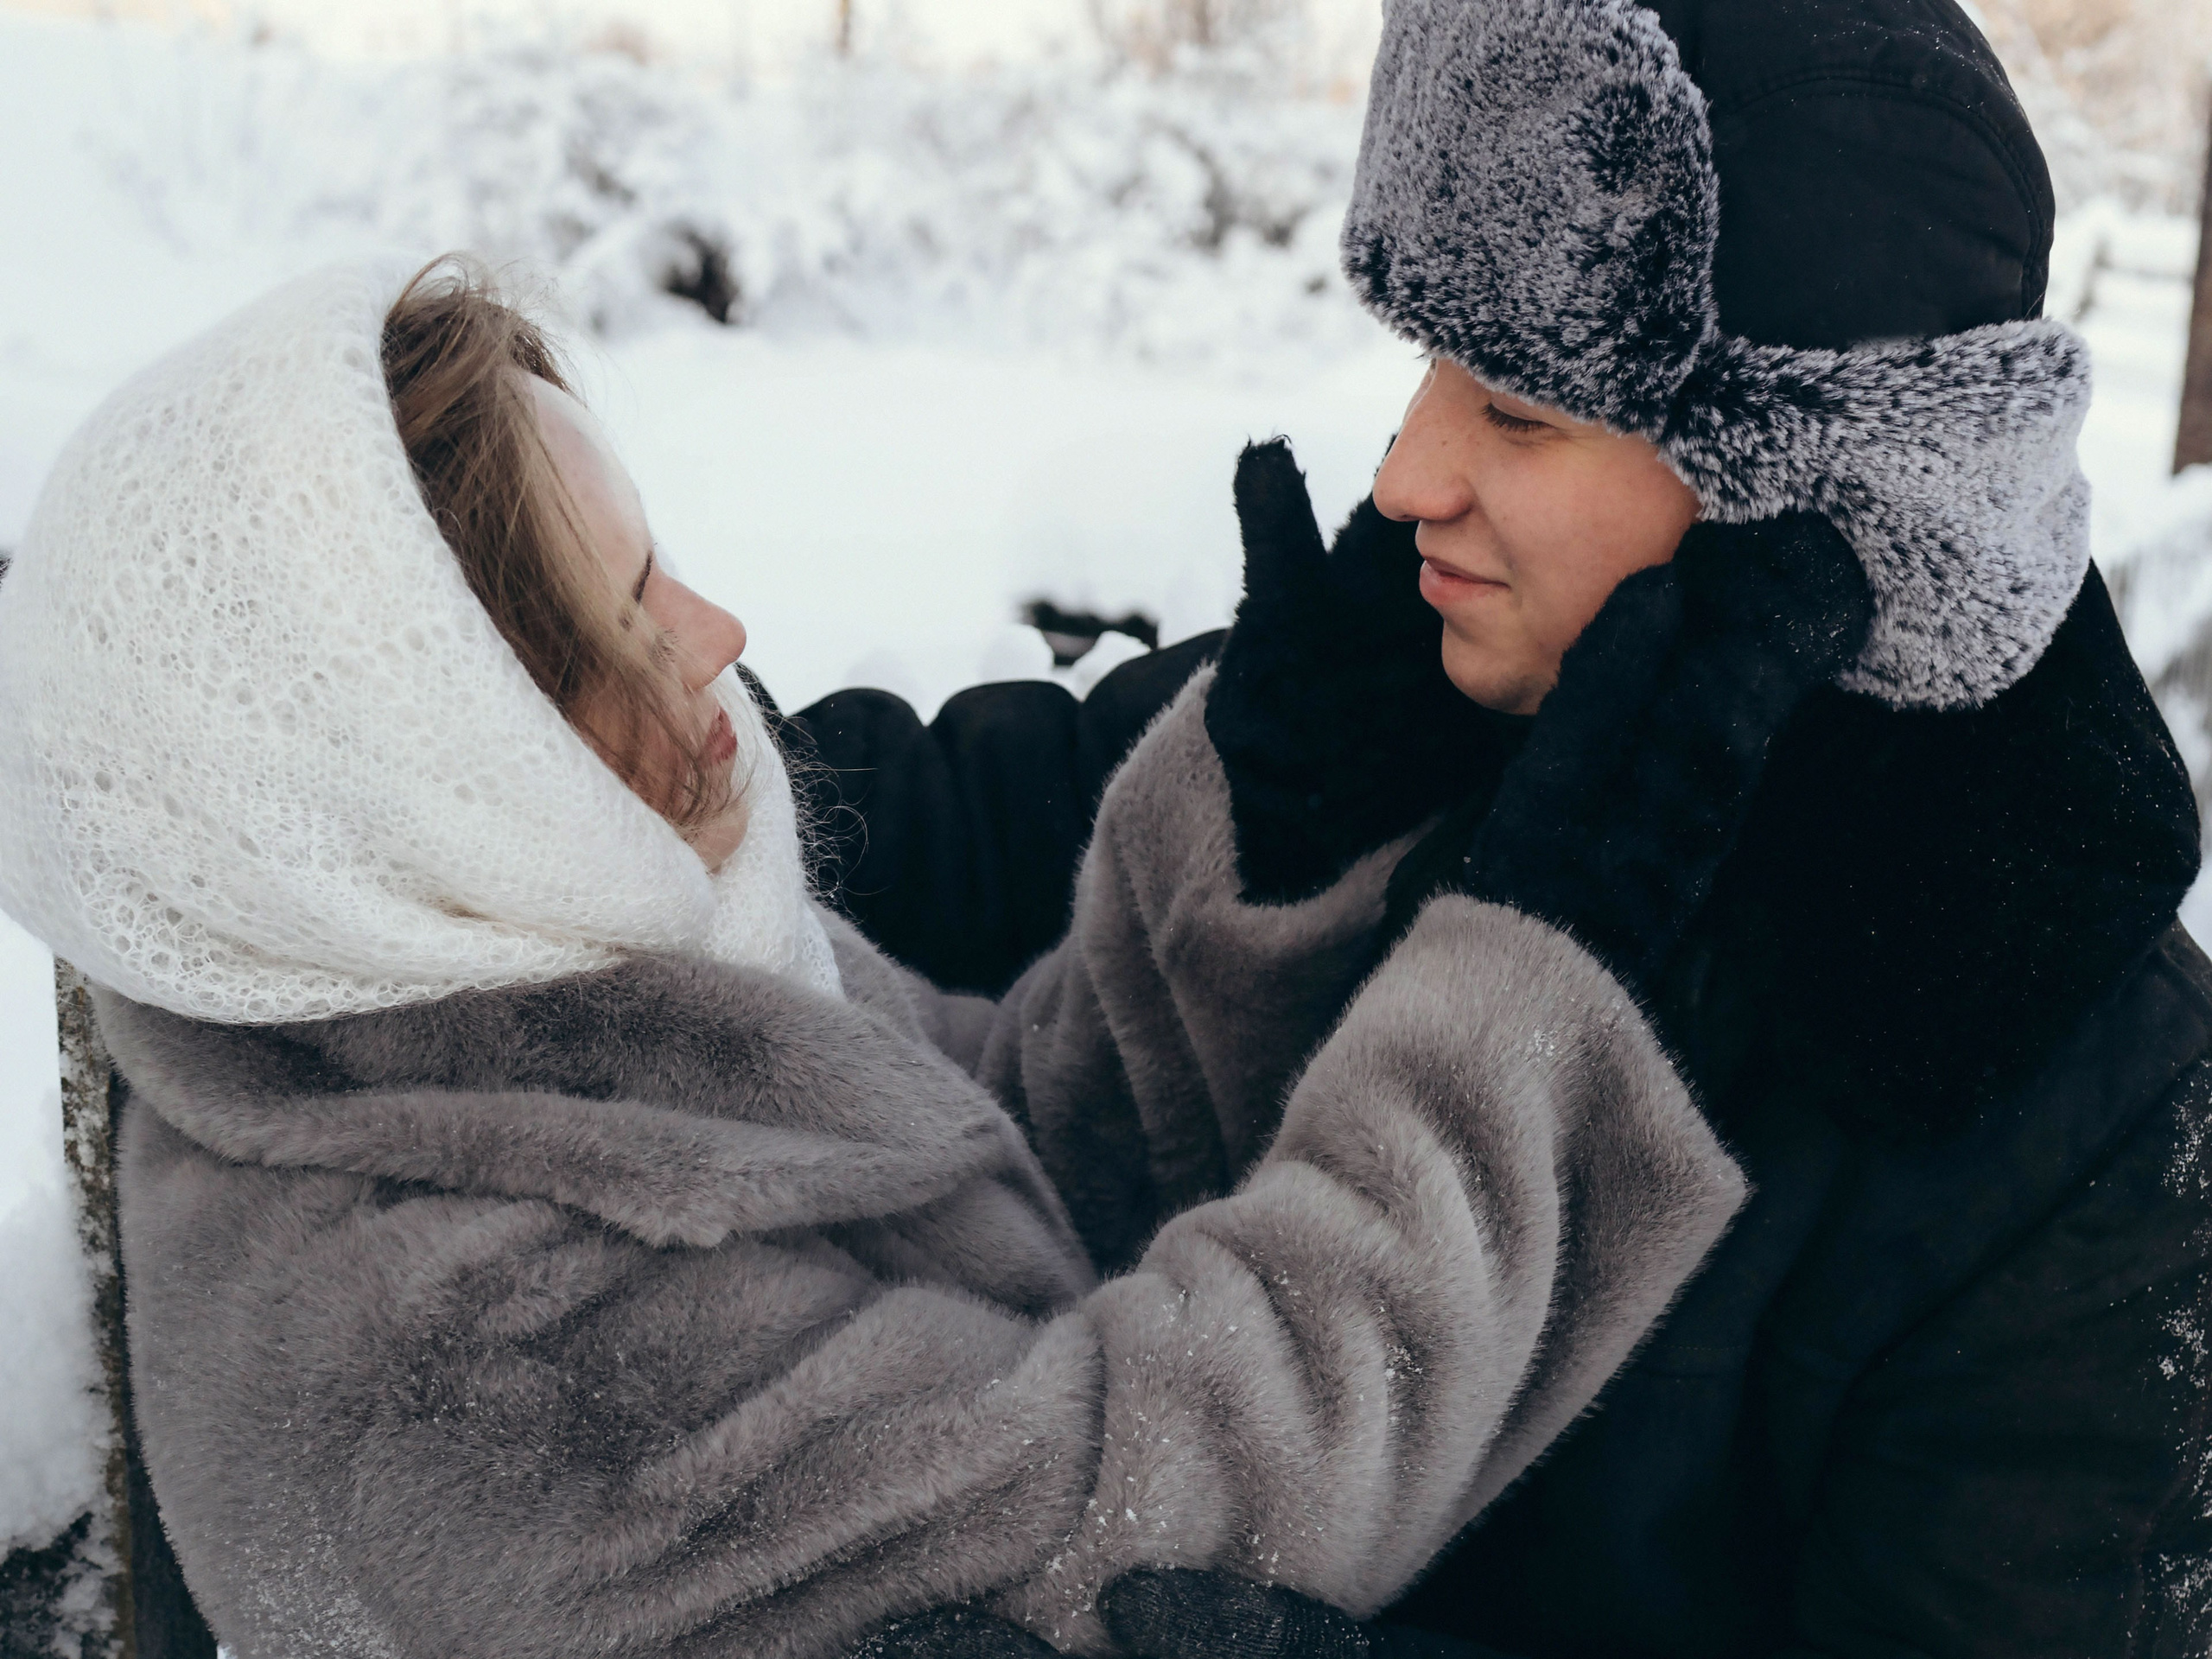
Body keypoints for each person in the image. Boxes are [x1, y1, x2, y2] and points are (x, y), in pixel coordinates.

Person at [0, 253, 1834, 1659]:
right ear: (430, 771)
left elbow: (991, 1172)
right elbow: (1154, 1499)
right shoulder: (455, 1361)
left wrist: (1256, 815)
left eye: (662, 563)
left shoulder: (520, 1004)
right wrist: (1532, 983)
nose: (720, 633)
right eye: (618, 619)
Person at [791, 0, 2212, 1654]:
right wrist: (639, 743)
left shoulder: (2088, 1124)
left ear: (1810, 481)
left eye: (1518, 412)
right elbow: (958, 819)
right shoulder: (1407, 695)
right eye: (1429, 369)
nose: (1404, 475)